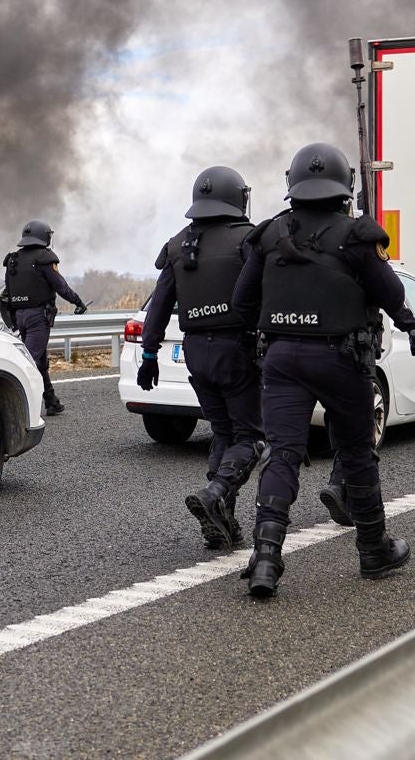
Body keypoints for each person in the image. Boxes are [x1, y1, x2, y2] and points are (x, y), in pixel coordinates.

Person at [232, 143, 415, 598]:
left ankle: (265, 558)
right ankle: (373, 550)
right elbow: (390, 292)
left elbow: (243, 303)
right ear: (344, 186)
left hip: (281, 360)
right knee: (356, 453)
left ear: (292, 184)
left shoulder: (268, 235)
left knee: (282, 453)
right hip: (343, 360)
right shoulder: (358, 235)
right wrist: (412, 328)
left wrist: (276, 330)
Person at [138, 167, 263, 552]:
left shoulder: (178, 244)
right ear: (236, 197)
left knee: (223, 433)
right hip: (236, 349)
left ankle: (221, 520)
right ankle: (216, 493)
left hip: (196, 352)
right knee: (252, 438)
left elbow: (159, 304)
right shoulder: (248, 238)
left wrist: (149, 353)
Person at [3, 219, 87, 417]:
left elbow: (7, 291)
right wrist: (78, 302)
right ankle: (15, 409)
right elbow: (61, 286)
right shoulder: (45, 258)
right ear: (45, 236)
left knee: (39, 360)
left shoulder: (13, 259)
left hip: (19, 316)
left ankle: (51, 401)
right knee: (29, 363)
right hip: (37, 317)